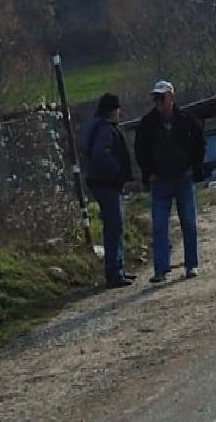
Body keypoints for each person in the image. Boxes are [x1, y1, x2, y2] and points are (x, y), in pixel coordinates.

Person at [135, 80, 205, 284]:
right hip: (160, 181)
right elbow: (140, 150)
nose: (158, 101)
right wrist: (148, 173)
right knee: (158, 225)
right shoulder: (147, 123)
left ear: (171, 97)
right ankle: (160, 269)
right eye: (155, 98)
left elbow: (199, 142)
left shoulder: (187, 119)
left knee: (189, 223)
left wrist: (195, 166)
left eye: (161, 97)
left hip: (183, 177)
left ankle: (191, 264)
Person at [83, 93, 135, 288]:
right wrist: (118, 171)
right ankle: (114, 273)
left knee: (114, 227)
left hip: (100, 183)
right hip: (107, 184)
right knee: (115, 227)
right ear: (114, 109)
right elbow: (100, 155)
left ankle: (117, 270)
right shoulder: (106, 129)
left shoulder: (96, 126)